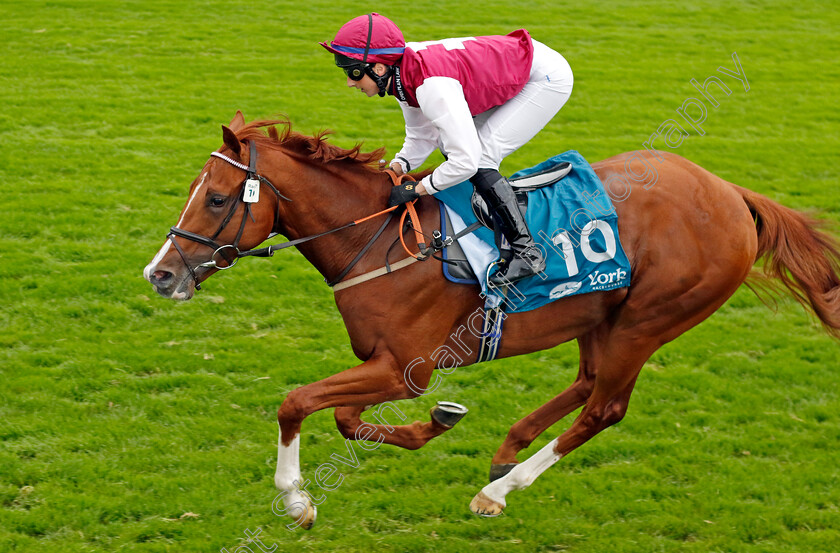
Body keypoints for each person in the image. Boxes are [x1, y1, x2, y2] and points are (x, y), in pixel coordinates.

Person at [320, 13, 574, 285]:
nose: (349, 82)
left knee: (479, 159)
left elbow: (465, 162)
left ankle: (527, 254)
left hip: (545, 79)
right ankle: (484, 221)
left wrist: (418, 188)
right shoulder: (402, 70)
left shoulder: (430, 86)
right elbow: (422, 134)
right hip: (516, 67)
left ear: (378, 68)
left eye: (353, 72)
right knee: (454, 144)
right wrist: (398, 167)